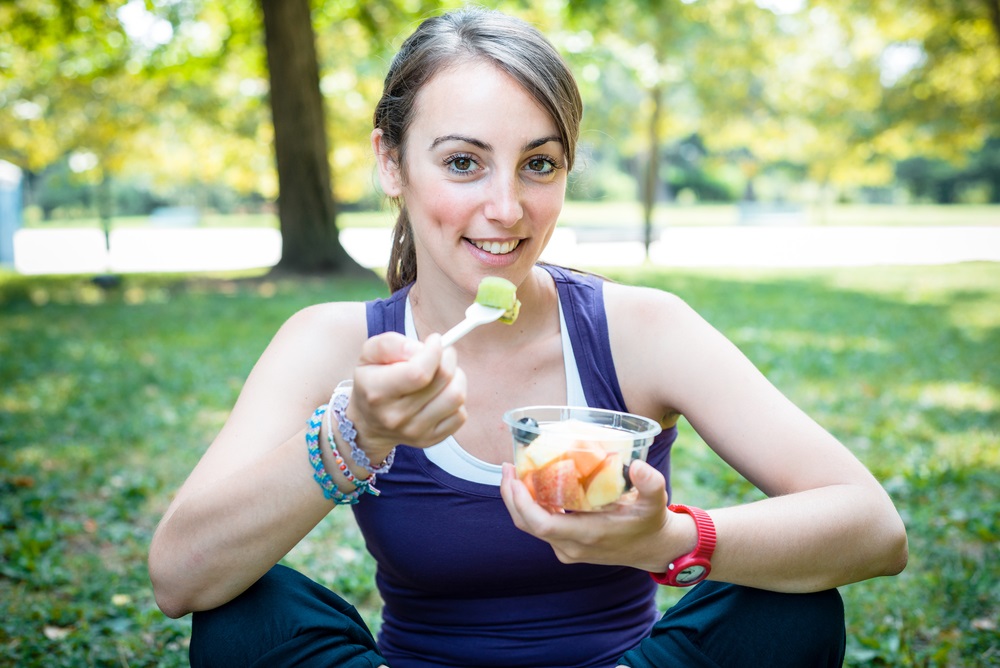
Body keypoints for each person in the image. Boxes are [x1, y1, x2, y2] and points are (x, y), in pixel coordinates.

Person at [148, 7, 908, 667]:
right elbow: (182, 578)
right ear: (390, 162)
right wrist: (359, 432)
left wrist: (667, 538)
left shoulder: (639, 329)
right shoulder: (327, 343)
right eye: (463, 163)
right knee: (244, 607)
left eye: (538, 164)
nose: (507, 208)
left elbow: (872, 528)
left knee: (790, 607)